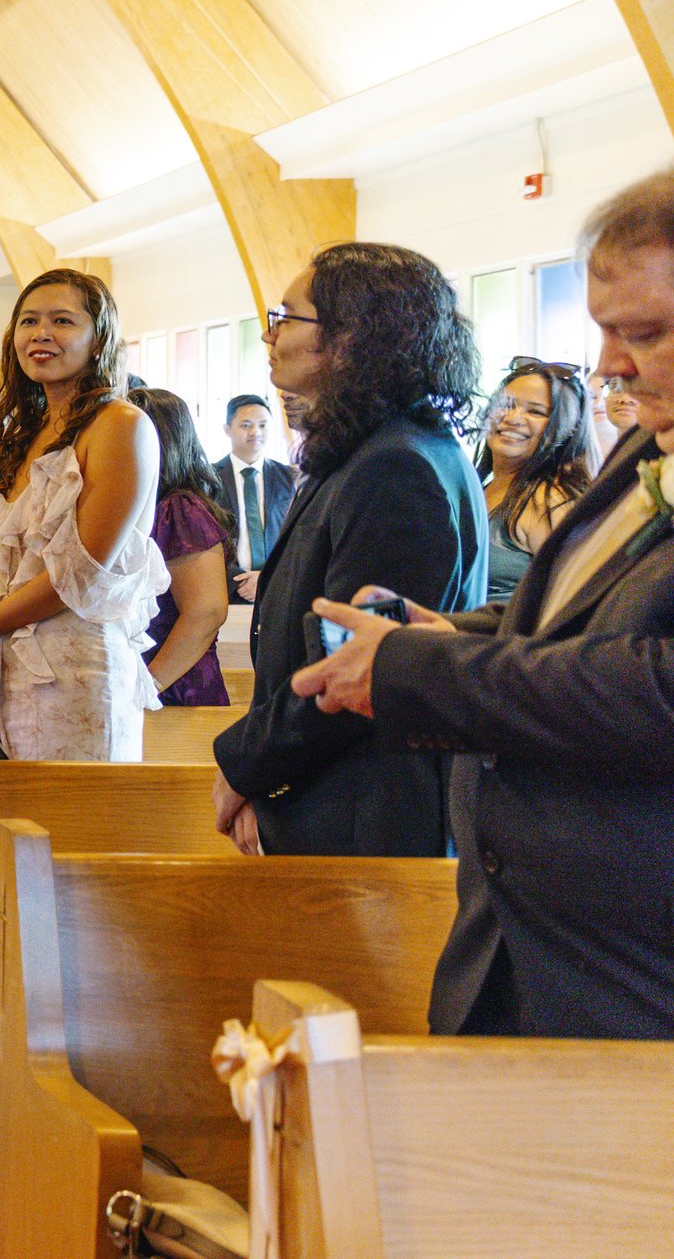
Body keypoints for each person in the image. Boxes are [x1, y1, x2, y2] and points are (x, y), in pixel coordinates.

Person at [290, 171, 674, 1039]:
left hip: (634, 971)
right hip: (519, 939)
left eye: (644, 332)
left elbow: (657, 686)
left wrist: (428, 670)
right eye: (607, 331)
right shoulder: (650, 440)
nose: (611, 364)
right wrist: (441, 636)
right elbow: (576, 623)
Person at [211, 243, 485, 857]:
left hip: (362, 807)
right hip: (331, 793)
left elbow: (355, 669)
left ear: (351, 335)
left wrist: (247, 768)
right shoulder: (377, 447)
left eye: (286, 317)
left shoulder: (396, 466)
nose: (269, 335)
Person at [0, 270, 165, 761]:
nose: (41, 333)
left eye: (62, 321)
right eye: (29, 321)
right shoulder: (17, 434)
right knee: (3, 835)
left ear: (98, 338)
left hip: (78, 678)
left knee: (69, 834)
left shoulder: (121, 426)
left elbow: (76, 572)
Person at [132, 387, 233, 706]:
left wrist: (144, 689)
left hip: (174, 689)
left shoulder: (179, 509)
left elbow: (206, 612)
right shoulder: (145, 506)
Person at [477, 359, 594, 605]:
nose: (513, 418)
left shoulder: (550, 500)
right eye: (505, 404)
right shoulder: (481, 486)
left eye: (536, 411)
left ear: (567, 428)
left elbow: (573, 603)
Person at [215, 394, 293, 603]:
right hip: (226, 591)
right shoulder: (209, 479)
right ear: (227, 429)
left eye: (263, 425)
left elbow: (294, 537)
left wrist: (265, 578)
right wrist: (239, 581)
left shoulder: (289, 478)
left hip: (278, 590)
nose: (255, 432)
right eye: (246, 425)